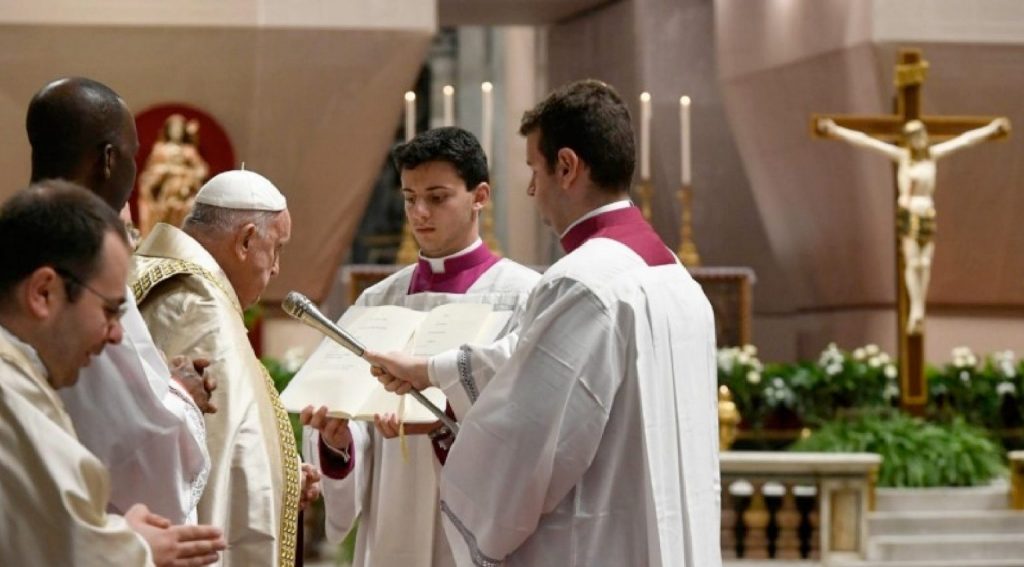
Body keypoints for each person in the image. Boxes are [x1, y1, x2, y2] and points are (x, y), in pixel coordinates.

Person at [368, 80, 722, 566]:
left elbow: (527, 440)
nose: (532, 189)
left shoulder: (582, 281)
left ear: (567, 167)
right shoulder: (675, 278)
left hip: (600, 547)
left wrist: (448, 426)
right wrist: (431, 371)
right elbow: (526, 362)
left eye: (535, 170)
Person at [300, 127, 539, 567]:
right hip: (393, 516)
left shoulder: (522, 295)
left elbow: (531, 419)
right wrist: (339, 444)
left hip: (479, 523)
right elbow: (355, 419)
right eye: (410, 199)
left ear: (480, 196)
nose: (420, 213)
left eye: (437, 197)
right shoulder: (378, 301)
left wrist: (443, 422)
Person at [0, 181, 226, 566]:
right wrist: (137, 550)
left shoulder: (20, 379)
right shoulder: (10, 396)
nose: (117, 334)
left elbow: (40, 532)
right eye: (109, 310)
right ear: (43, 293)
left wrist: (117, 533)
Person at [26, 76, 212, 525]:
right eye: (133, 154)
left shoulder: (20, 233)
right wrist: (182, 392)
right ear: (108, 159)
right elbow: (140, 450)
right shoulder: (82, 256)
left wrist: (158, 374)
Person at [132, 169, 319, 566]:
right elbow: (219, 464)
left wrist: (285, 477)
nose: (276, 268)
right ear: (246, 240)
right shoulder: (201, 306)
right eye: (276, 248)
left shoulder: (154, 272)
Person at [817, 116, 1009, 334]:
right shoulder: (903, 157)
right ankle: (915, 309)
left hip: (927, 210)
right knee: (913, 261)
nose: (920, 139)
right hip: (910, 211)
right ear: (908, 140)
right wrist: (836, 130)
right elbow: (867, 141)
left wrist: (990, 129)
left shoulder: (932, 156)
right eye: (914, 136)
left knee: (925, 263)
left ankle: (919, 307)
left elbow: (964, 140)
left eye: (921, 134)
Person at [137, 113, 210, 235]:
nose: (176, 132)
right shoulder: (160, 150)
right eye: (173, 129)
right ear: (167, 130)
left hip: (184, 194)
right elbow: (149, 173)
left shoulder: (189, 151)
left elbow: (201, 171)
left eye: (179, 129)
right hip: (164, 194)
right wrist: (165, 171)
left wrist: (186, 174)